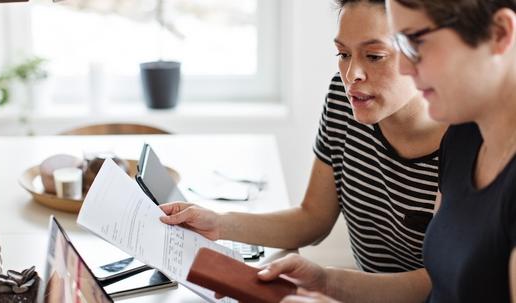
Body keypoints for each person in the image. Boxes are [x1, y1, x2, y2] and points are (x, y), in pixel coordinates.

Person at [160, 0, 446, 276]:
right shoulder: (344, 99)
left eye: (374, 56)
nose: (351, 74)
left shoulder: (464, 139)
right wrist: (219, 223)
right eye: (343, 54)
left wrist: (326, 283)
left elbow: (436, 284)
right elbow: (313, 218)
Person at [260, 0, 516, 302]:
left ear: (499, 33)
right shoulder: (462, 136)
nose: (406, 65)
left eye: (416, 41)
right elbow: (436, 284)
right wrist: (325, 282)